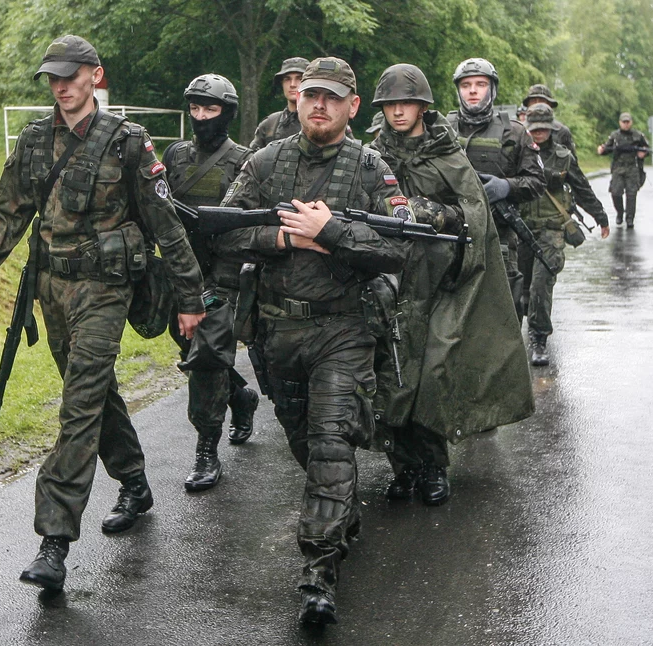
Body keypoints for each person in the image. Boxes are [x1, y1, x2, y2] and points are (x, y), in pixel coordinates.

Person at [0, 34, 205, 592]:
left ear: (96, 75)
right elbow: (9, 212)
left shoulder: (129, 143)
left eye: (71, 75)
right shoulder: (37, 139)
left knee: (79, 404)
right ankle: (136, 481)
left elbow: (166, 226)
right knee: (91, 391)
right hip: (52, 286)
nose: (61, 86)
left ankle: (54, 542)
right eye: (53, 77)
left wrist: (191, 299)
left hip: (106, 288)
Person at [216, 57, 411, 625]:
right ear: (296, 101)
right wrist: (282, 236)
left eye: (331, 96)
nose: (318, 103)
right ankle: (338, 508)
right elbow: (223, 230)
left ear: (352, 107)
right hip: (277, 333)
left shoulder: (373, 169)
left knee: (330, 442)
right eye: (310, 95)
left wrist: (332, 232)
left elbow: (399, 246)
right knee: (304, 442)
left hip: (343, 330)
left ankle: (318, 575)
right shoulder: (265, 162)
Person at [368, 63, 534, 506]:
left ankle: (433, 466)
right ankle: (403, 466)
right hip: (388, 279)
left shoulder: (447, 154)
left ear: (423, 106)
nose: (398, 112)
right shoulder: (371, 155)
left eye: (406, 103)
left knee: (431, 372)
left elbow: (474, 217)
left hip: (443, 280)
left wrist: (430, 213)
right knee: (390, 371)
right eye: (389, 105)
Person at [161, 74, 259, 491]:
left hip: (224, 269)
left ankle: (206, 450)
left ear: (226, 114)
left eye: (210, 109)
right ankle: (240, 396)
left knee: (207, 355)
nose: (201, 117)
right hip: (183, 270)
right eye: (195, 109)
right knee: (186, 340)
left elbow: (253, 217)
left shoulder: (245, 160)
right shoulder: (175, 155)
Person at [447, 58, 545, 316]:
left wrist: (507, 186)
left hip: (499, 237)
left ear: (492, 89)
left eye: (480, 84)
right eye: (466, 85)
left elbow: (537, 182)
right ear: (458, 90)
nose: (473, 90)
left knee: (505, 315)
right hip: (450, 237)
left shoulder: (515, 133)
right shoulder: (442, 130)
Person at [521, 104, 610, 365]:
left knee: (540, 285)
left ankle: (539, 339)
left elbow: (582, 188)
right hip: (521, 228)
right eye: (534, 129)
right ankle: (518, 334)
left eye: (543, 129)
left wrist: (601, 217)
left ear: (551, 129)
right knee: (521, 287)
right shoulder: (518, 154)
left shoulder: (563, 157)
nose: (538, 134)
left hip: (551, 230)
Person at [598, 112, 649, 228]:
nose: (626, 124)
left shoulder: (638, 135)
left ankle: (630, 218)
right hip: (618, 168)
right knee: (615, 192)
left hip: (632, 167)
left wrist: (643, 153)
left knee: (631, 194)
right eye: (623, 122)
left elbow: (646, 148)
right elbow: (607, 148)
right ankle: (620, 213)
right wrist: (602, 150)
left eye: (628, 122)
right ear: (620, 123)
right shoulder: (615, 135)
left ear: (631, 122)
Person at [249, 57, 308, 151]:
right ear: (282, 83)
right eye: (287, 79)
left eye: (299, 79)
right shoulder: (269, 124)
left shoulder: (319, 121)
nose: (292, 84)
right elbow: (253, 161)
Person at [522, 84, 577, 159]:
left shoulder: (561, 131)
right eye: (533, 101)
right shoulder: (519, 130)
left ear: (550, 104)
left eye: (542, 101)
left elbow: (571, 163)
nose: (538, 104)